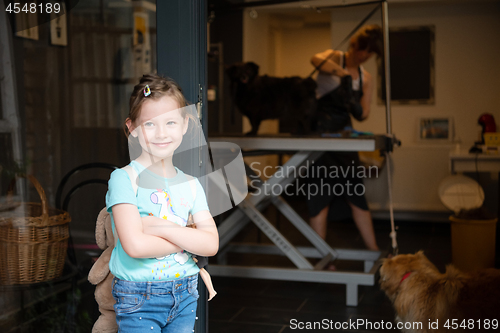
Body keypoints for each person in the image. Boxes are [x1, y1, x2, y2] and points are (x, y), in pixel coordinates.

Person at [106, 74, 219, 332]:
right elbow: (134, 246)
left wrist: (156, 226)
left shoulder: (191, 184)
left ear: (185, 125)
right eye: (149, 124)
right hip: (139, 297)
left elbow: (211, 243)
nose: (161, 133)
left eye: (170, 122)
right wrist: (188, 238)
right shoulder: (124, 179)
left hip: (186, 292)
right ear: (132, 128)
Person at [308, 25, 383, 254]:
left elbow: (364, 113)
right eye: (363, 50)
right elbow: (314, 59)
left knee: (355, 193)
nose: (365, 56)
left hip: (344, 137)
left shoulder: (366, 78)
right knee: (320, 196)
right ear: (354, 45)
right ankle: (323, 256)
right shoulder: (334, 57)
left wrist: (353, 102)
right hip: (319, 134)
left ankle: (374, 250)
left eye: (370, 54)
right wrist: (341, 75)